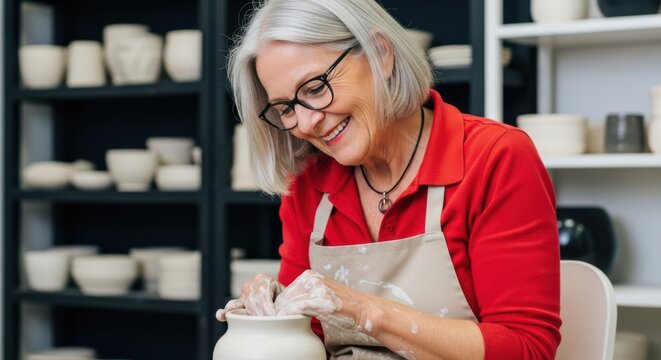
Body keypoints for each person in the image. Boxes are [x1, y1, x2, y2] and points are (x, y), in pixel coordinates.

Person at [216, 0, 562, 359]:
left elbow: (527, 349)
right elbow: (310, 339)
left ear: (380, 54)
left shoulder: (494, 158)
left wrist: (363, 311)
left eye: (315, 88)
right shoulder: (308, 185)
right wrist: (276, 316)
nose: (305, 124)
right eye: (286, 108)